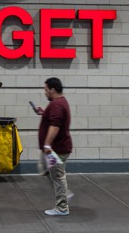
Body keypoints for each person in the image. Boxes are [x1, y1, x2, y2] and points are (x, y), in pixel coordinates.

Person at [34, 77, 73, 216]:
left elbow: (55, 125)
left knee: (57, 176)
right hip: (54, 149)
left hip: (56, 149)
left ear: (53, 89)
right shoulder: (59, 102)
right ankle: (64, 192)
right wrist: (43, 113)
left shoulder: (56, 104)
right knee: (45, 170)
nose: (45, 92)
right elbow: (54, 119)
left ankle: (62, 207)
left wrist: (47, 144)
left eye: (46, 90)